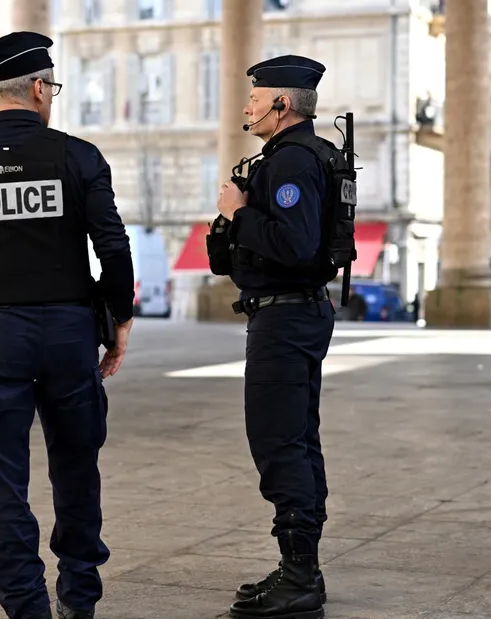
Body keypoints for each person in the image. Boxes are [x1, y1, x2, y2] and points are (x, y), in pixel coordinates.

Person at [0, 31, 135, 619]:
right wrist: (120, 321)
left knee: (3, 482)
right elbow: (113, 247)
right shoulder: (77, 156)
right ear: (38, 89)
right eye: (52, 86)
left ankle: (26, 607)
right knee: (77, 470)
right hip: (68, 333)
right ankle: (79, 600)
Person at [215, 55, 337, 619]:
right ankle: (300, 567)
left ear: (282, 104)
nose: (248, 108)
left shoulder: (290, 163)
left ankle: (299, 576)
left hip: (285, 317)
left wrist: (239, 213)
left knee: (278, 439)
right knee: (295, 437)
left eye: (256, 99)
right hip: (293, 314)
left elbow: (294, 245)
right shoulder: (294, 158)